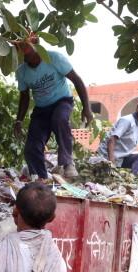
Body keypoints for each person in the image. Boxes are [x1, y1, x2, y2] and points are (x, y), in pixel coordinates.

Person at [13, 34, 93, 180]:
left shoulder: (54, 58)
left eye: (26, 50)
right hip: (41, 109)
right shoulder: (22, 72)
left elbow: (77, 80)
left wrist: (86, 108)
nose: (24, 55)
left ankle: (67, 163)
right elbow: (24, 97)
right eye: (19, 50)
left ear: (36, 45)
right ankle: (41, 179)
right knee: (31, 147)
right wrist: (18, 120)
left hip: (62, 101)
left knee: (59, 119)